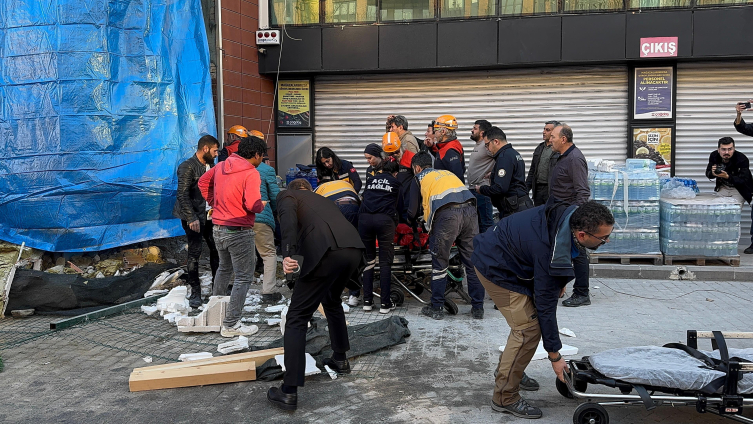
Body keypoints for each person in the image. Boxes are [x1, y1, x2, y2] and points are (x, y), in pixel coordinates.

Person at [472, 200, 614, 419]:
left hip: (509, 256)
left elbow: (563, 256)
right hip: (495, 267)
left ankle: (509, 371)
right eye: (603, 238)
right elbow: (546, 308)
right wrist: (555, 356)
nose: (607, 240)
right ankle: (505, 396)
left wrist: (560, 280)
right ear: (582, 234)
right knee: (528, 329)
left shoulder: (569, 217)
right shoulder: (548, 250)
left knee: (526, 324)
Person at [267, 178, 365, 412]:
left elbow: (289, 221)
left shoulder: (287, 195)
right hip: (353, 250)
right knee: (332, 302)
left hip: (327, 251)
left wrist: (287, 253)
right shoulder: (320, 200)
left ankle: (289, 391)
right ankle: (340, 359)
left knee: (297, 317)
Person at [198, 137, 267, 337]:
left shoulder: (221, 165)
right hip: (239, 229)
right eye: (262, 156)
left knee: (224, 268)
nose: (261, 160)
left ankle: (215, 315)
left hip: (218, 226)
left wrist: (214, 201)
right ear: (256, 155)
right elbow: (253, 204)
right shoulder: (251, 172)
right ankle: (231, 323)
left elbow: (203, 182)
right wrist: (261, 205)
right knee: (244, 277)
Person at [407, 152, 485, 320]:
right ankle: (478, 308)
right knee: (472, 262)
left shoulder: (419, 178)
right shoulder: (445, 173)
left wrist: (411, 223)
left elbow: (412, 211)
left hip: (448, 216)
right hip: (471, 211)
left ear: (417, 167)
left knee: (440, 263)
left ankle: (436, 308)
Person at [172, 135, 221, 308]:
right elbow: (182, 194)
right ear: (206, 149)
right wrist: (191, 217)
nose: (217, 154)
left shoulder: (211, 166)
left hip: (209, 216)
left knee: (216, 249)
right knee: (195, 253)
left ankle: (218, 289)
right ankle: (195, 292)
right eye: (215, 150)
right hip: (194, 217)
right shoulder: (187, 166)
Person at [547, 124, 592, 308]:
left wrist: (577, 219)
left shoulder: (574, 159)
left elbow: (582, 191)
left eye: (553, 137)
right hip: (559, 211)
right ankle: (559, 286)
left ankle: (582, 293)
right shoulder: (562, 157)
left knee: (578, 251)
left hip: (570, 213)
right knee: (562, 250)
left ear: (563, 139)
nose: (550, 140)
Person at [359, 155, 402, 313]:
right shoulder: (396, 183)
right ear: (395, 173)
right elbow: (400, 205)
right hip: (384, 220)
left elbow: (364, 198)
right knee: (385, 262)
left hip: (364, 220)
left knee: (369, 261)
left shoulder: (371, 180)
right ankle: (385, 304)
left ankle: (367, 302)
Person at [314, 178, 362, 306]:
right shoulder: (346, 184)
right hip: (354, 206)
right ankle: (354, 294)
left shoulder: (318, 191)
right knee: (352, 249)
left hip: (335, 207)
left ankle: (330, 290)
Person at [705, 137, 753, 253]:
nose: (726, 152)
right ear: (718, 150)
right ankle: (719, 243)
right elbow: (708, 174)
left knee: (733, 216)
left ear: (734, 149)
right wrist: (712, 173)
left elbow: (744, 180)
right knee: (717, 214)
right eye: (723, 149)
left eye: (729, 149)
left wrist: (728, 177)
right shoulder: (714, 156)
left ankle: (732, 246)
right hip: (723, 188)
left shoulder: (741, 159)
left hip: (738, 189)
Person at [475, 127, 532, 218]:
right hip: (520, 206)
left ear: (496, 142)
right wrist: (493, 174)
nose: (487, 149)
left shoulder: (504, 157)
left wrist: (481, 189)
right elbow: (512, 175)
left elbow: (500, 188)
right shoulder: (513, 153)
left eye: (487, 145)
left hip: (514, 209)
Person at [253, 136, 282, 303]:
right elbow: (275, 196)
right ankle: (268, 291)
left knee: (243, 255)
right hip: (261, 217)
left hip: (237, 219)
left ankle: (236, 287)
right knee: (269, 253)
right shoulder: (266, 170)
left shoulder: (232, 168)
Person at [468, 119, 495, 233]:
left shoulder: (486, 145)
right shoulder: (479, 145)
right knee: (477, 223)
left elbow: (501, 158)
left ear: (482, 132)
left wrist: (493, 173)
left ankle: (491, 248)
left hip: (482, 190)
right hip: (473, 190)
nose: (472, 130)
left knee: (486, 223)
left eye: (475, 128)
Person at [382, 132, 414, 223]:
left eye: (396, 152)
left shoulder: (411, 158)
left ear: (401, 146)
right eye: (390, 154)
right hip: (391, 204)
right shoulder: (385, 162)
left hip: (407, 203)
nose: (394, 156)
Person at [526, 121, 560, 206]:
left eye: (547, 130)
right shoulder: (539, 148)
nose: (544, 132)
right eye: (544, 129)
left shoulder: (558, 150)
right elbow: (532, 170)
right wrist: (526, 189)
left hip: (551, 190)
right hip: (538, 189)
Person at [428, 115, 466, 183]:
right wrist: (431, 147)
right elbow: (442, 158)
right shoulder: (451, 145)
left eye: (435, 131)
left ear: (443, 132)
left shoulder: (450, 150)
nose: (435, 134)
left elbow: (458, 176)